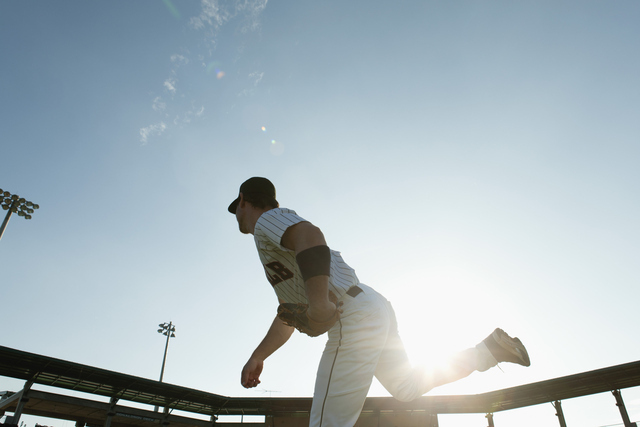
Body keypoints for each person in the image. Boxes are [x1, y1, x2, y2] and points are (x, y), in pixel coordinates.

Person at [229, 177, 530, 427]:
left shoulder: (267, 220)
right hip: (371, 307)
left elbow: (311, 234)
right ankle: (488, 351)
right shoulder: (273, 248)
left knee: (327, 423)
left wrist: (319, 302)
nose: (237, 217)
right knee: (406, 387)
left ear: (244, 199)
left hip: (352, 316)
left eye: (236, 209)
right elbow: (289, 316)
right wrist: (260, 355)